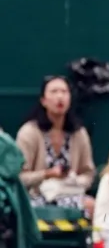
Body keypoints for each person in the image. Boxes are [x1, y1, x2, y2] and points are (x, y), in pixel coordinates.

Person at [16, 75, 95, 209]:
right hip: (36, 196)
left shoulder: (79, 133)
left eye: (64, 92)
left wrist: (74, 180)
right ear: (43, 101)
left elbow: (88, 173)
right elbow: (19, 177)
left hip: (70, 193)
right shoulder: (29, 132)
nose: (60, 97)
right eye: (54, 92)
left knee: (96, 207)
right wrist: (46, 174)